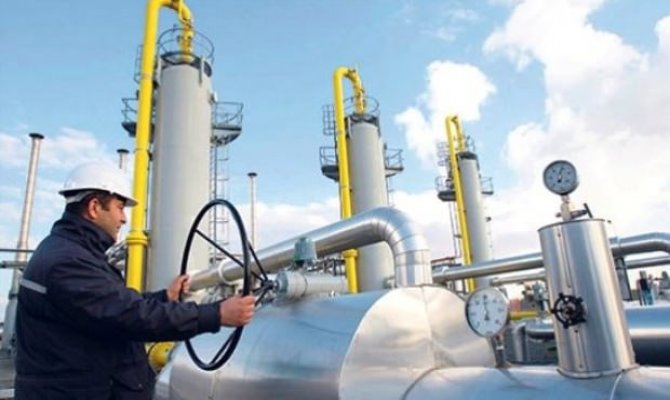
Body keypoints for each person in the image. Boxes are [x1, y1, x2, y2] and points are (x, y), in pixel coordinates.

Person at [14, 162, 255, 399]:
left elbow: (110, 305)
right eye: (119, 208)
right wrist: (216, 314)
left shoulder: (70, 252)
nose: (124, 219)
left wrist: (165, 297)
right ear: (94, 207)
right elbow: (129, 315)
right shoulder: (68, 262)